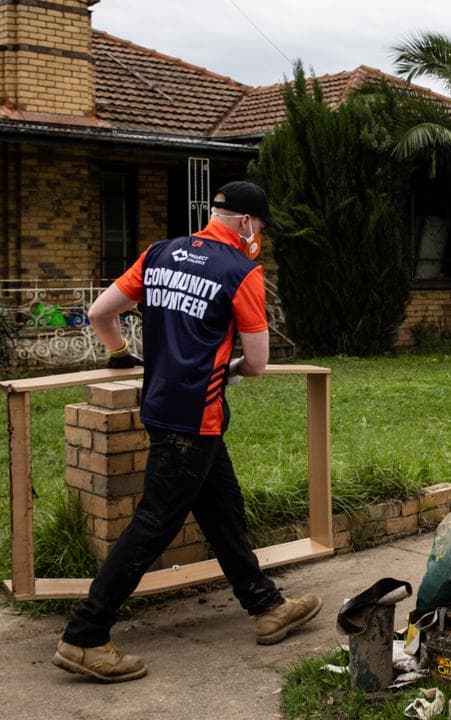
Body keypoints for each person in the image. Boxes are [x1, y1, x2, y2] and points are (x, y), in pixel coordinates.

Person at [53, 181, 321, 683]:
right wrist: (232, 370)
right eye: (260, 227)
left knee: (222, 508)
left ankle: (266, 605)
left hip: (160, 407)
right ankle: (84, 636)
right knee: (154, 524)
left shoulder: (159, 253)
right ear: (245, 222)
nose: (258, 236)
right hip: (195, 417)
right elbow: (259, 363)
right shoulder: (243, 273)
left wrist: (118, 353)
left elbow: (99, 313)